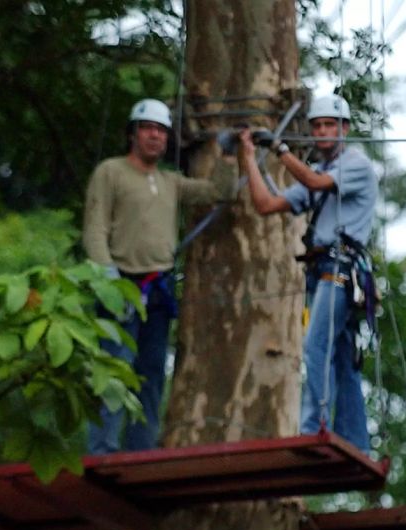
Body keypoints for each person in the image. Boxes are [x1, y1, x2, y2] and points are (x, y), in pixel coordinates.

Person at [237, 94, 378, 453]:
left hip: (342, 270)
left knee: (316, 347)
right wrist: (252, 159)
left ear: (345, 129)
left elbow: (315, 183)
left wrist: (281, 150)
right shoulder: (322, 173)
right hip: (321, 273)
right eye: (317, 126)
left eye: (330, 125)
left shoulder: (355, 165)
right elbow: (267, 204)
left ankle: (312, 429)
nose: (323, 131)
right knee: (342, 359)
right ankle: (355, 442)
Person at [83, 98, 219, 454]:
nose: (155, 137)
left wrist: (235, 151)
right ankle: (102, 449)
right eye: (148, 129)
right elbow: (95, 230)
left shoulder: (170, 182)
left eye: (161, 131)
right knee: (113, 369)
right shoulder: (111, 172)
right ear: (133, 134)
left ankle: (140, 450)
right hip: (120, 283)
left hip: (156, 289)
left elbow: (217, 192)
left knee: (151, 373)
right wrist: (108, 279)